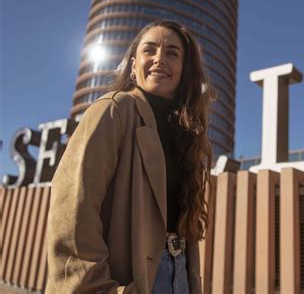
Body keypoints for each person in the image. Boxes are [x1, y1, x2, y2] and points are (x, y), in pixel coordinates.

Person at [46, 20, 214, 294]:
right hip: (128, 280)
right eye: (150, 50)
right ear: (134, 64)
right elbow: (73, 208)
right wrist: (97, 288)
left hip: (179, 274)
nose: (160, 58)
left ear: (185, 71)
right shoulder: (114, 109)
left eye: (172, 53)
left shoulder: (188, 136)